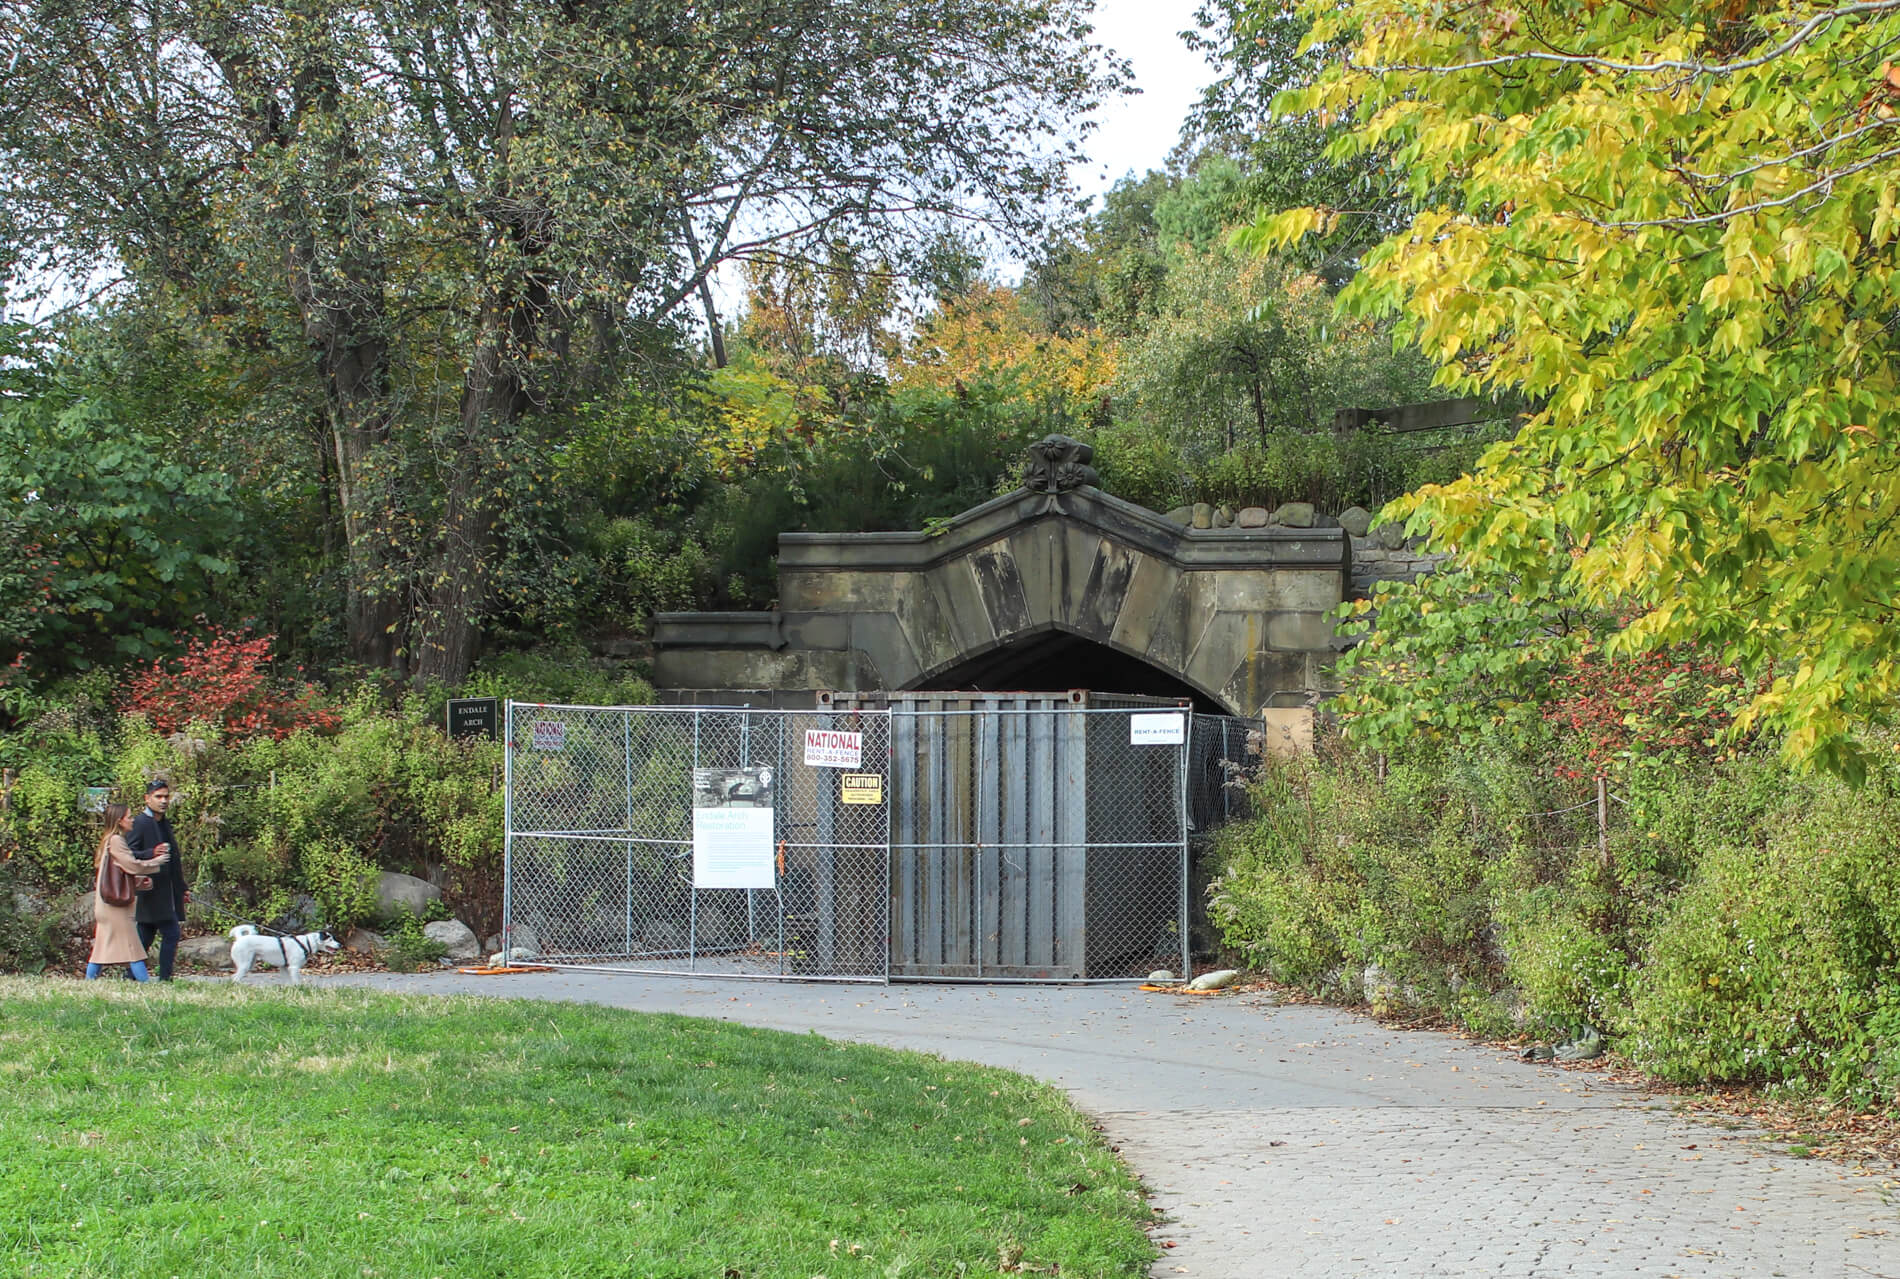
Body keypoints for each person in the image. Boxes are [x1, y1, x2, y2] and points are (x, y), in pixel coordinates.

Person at [87, 802, 169, 981]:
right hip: (116, 906)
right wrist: (156, 862)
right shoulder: (116, 841)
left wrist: (138, 882)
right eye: (129, 817)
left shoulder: (107, 840)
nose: (132, 820)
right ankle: (144, 983)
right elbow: (130, 865)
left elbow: (116, 871)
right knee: (132, 947)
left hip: (106, 903)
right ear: (119, 821)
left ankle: (89, 981)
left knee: (102, 947)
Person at [127, 778, 186, 980]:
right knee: (171, 933)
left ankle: (130, 977)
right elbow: (128, 853)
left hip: (166, 890)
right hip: (150, 890)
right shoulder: (140, 823)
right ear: (147, 799)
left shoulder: (164, 823)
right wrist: (150, 853)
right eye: (158, 797)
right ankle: (165, 978)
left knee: (145, 936)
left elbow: (174, 860)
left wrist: (182, 888)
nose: (163, 801)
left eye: (166, 796)